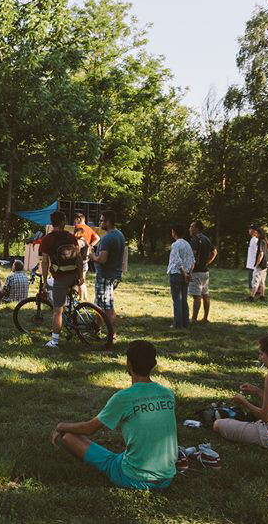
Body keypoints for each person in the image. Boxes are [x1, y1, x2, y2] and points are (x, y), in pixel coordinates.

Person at [51, 340, 176, 490]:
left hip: (134, 477)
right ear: (154, 363)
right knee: (121, 456)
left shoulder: (123, 398)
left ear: (128, 364)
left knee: (68, 436)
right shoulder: (167, 394)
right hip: (167, 477)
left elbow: (88, 428)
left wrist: (60, 426)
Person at [40, 210, 84, 347]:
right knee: (69, 303)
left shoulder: (48, 239)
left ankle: (54, 341)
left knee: (57, 310)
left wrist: (44, 280)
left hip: (61, 277)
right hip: (74, 274)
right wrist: (81, 276)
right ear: (62, 222)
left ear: (52, 223)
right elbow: (79, 257)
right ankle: (71, 322)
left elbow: (45, 262)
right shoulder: (71, 237)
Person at [91, 210, 125, 333]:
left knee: (108, 306)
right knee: (99, 305)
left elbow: (102, 259)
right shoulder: (120, 235)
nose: (99, 223)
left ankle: (111, 335)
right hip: (115, 274)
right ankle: (97, 330)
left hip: (106, 276)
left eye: (101, 220)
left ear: (108, 222)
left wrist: (92, 256)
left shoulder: (107, 238)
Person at [188, 221, 218, 323]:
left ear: (197, 228)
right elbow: (214, 252)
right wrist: (207, 263)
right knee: (205, 295)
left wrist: (189, 270)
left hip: (196, 272)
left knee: (196, 297)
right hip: (205, 272)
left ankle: (194, 319)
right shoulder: (206, 239)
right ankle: (205, 318)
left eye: (191, 227)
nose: (189, 229)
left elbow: (192, 255)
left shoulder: (195, 240)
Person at [166, 223, 195, 329]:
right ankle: (185, 323)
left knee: (177, 300)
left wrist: (184, 273)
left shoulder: (175, 244)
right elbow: (193, 261)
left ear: (174, 232)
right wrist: (189, 273)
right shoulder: (187, 244)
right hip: (186, 275)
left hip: (177, 274)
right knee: (184, 300)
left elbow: (177, 261)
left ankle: (177, 324)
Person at [249, 227, 268, 302]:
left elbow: (261, 254)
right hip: (265, 265)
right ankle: (262, 296)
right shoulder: (266, 241)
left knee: (255, 281)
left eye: (257, 233)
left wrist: (257, 264)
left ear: (260, 234)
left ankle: (252, 297)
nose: (255, 234)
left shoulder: (261, 241)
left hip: (260, 265)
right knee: (262, 281)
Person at [73, 227, 91, 301]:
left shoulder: (79, 242)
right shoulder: (85, 241)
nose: (74, 234)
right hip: (85, 262)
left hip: (81, 263)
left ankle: (81, 298)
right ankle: (85, 296)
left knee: (80, 281)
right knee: (82, 281)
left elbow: (77, 253)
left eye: (75, 232)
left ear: (78, 233)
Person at [245, 225, 259, 291]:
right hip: (251, 262)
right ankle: (253, 290)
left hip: (254, 262)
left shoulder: (255, 240)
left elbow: (258, 251)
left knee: (254, 277)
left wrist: (257, 262)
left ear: (254, 231)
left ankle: (255, 290)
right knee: (251, 276)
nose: (249, 230)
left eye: (250, 229)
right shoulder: (252, 239)